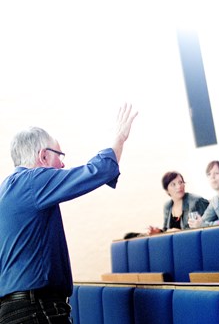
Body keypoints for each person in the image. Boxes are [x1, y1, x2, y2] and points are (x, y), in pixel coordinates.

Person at [0, 104, 137, 323]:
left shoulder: (6, 191)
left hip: (12, 310)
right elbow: (97, 171)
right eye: (59, 155)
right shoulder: (33, 181)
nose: (62, 163)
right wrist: (119, 137)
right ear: (43, 156)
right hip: (37, 309)